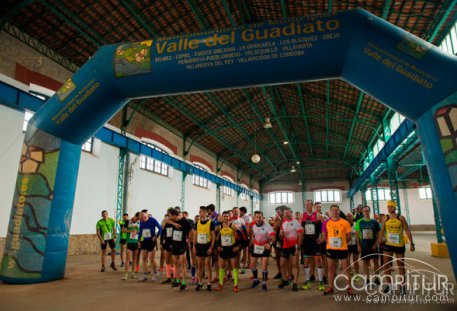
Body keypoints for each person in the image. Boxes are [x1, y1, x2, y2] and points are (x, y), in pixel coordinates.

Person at [378, 200, 415, 294]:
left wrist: (412, 243)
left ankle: (402, 286)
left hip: (399, 245)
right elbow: (382, 230)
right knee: (386, 265)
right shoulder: (385, 218)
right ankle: (389, 286)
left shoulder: (401, 218)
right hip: (388, 245)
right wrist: (380, 239)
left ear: (395, 207)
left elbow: (407, 230)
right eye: (388, 207)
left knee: (401, 266)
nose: (389, 208)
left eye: (391, 207)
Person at [322, 204, 353, 296]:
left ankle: (349, 288)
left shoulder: (345, 223)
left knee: (346, 269)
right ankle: (330, 287)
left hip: (342, 249)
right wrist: (330, 243)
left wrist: (342, 243)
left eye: (336, 210)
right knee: (331, 269)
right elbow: (324, 236)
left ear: (339, 211)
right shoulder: (326, 223)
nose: (334, 212)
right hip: (330, 249)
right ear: (330, 212)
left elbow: (348, 237)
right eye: (333, 210)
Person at [301, 200, 326, 291]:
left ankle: (321, 282)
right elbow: (301, 229)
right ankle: (307, 281)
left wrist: (322, 238)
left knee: (318, 261)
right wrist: (300, 241)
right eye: (306, 204)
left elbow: (325, 225)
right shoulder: (302, 215)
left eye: (309, 204)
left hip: (315, 242)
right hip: (306, 242)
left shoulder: (317, 215)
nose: (307, 206)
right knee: (306, 261)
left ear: (312, 205)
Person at [214, 211, 241, 292]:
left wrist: (238, 247)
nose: (226, 218)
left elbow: (241, 236)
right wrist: (218, 246)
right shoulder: (219, 227)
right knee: (221, 267)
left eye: (227, 216)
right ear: (222, 217)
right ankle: (221, 284)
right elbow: (214, 238)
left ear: (230, 217)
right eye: (224, 216)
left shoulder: (233, 226)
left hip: (232, 248)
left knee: (234, 267)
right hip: (223, 249)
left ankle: (235, 285)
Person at [249, 211, 275, 291]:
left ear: (262, 217)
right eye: (257, 217)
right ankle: (256, 280)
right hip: (256, 247)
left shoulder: (267, 226)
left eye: (260, 217)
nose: (258, 219)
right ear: (254, 217)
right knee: (252, 265)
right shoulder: (252, 224)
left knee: (264, 266)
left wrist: (270, 244)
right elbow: (251, 233)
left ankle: (264, 283)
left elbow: (273, 237)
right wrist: (252, 239)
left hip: (265, 247)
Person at [278, 207, 302, 292]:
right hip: (285, 246)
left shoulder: (296, 222)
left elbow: (300, 236)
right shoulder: (283, 222)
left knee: (295, 264)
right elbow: (281, 236)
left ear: (291, 213)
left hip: (294, 246)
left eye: (288, 213)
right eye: (285, 213)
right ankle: (285, 280)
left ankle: (295, 283)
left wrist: (298, 247)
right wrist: (281, 235)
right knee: (282, 264)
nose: (286, 214)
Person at [355, 205, 380, 286]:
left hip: (373, 246)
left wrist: (376, 244)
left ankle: (376, 278)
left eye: (367, 210)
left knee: (375, 261)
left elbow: (378, 234)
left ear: (370, 211)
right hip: (364, 246)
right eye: (364, 211)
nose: (366, 212)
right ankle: (367, 279)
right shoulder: (359, 222)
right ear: (362, 212)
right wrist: (358, 245)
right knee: (365, 262)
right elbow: (357, 235)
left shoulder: (374, 222)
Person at [193, 206, 216, 292]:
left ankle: (209, 283)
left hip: (207, 246)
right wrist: (194, 246)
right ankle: (200, 283)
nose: (200, 212)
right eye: (200, 211)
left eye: (202, 211)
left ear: (206, 213)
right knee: (199, 265)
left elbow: (213, 236)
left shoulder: (211, 223)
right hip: (199, 246)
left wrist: (211, 247)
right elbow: (195, 235)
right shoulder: (197, 223)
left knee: (208, 265)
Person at [170, 208, 193, 291]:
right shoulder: (172, 220)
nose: (170, 217)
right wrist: (174, 223)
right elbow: (166, 221)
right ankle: (177, 280)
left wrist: (189, 241)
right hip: (174, 244)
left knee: (183, 264)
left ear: (175, 215)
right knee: (175, 263)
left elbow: (191, 231)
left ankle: (184, 283)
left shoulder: (184, 221)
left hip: (182, 245)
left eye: (171, 216)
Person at [137, 209, 162, 282]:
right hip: (144, 242)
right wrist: (139, 240)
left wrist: (156, 236)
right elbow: (140, 231)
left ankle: (154, 274)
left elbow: (160, 228)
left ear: (146, 215)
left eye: (142, 216)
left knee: (151, 259)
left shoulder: (152, 220)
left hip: (151, 242)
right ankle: (144, 275)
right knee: (144, 259)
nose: (141, 218)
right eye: (140, 217)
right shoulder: (141, 222)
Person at [121, 212, 140, 280]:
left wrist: (139, 241)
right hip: (129, 242)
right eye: (139, 218)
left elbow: (140, 231)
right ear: (136, 216)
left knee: (134, 259)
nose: (139, 219)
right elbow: (122, 230)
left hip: (136, 243)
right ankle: (125, 275)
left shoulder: (139, 222)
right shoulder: (127, 221)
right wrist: (130, 231)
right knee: (128, 259)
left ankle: (132, 273)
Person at [160, 209, 175, 284]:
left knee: (174, 261)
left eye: (170, 213)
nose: (168, 215)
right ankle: (168, 277)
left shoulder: (176, 221)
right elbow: (162, 233)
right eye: (168, 213)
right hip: (167, 243)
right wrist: (161, 243)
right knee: (167, 260)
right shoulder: (165, 221)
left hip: (175, 243)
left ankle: (175, 277)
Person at [346, 213, 360, 280]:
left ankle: (357, 274)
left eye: (350, 216)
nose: (349, 217)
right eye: (347, 216)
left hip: (355, 244)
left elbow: (358, 233)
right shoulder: (345, 224)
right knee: (347, 260)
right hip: (347, 245)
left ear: (352, 217)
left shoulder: (356, 224)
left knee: (355, 260)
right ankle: (350, 272)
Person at [238, 207, 251, 273]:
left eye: (239, 211)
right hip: (239, 237)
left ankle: (245, 266)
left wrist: (247, 237)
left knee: (245, 251)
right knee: (238, 252)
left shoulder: (247, 217)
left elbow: (247, 228)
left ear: (242, 211)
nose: (239, 213)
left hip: (245, 237)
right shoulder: (238, 217)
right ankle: (238, 265)